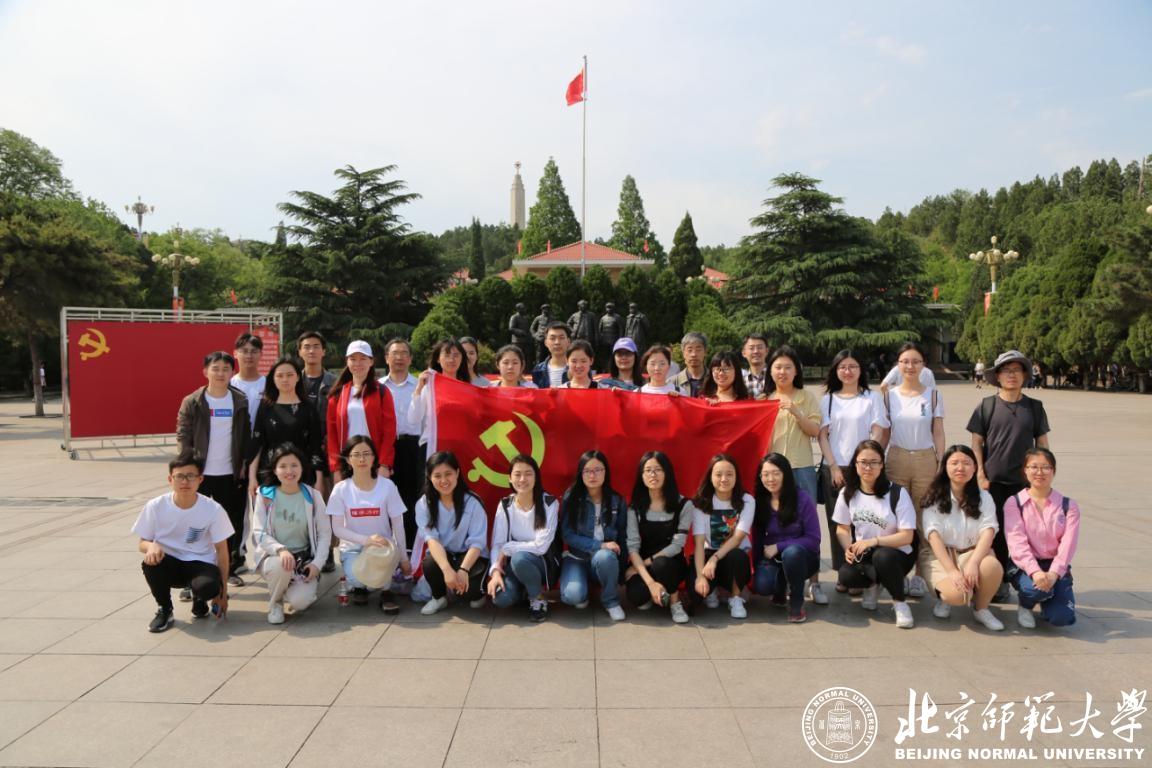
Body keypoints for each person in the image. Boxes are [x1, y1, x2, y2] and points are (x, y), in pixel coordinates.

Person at [967, 349, 1051, 602]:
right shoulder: (987, 405)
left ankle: (1030, 580)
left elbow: (1042, 444)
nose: (1011, 375)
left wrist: (1042, 475)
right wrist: (980, 473)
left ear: (1025, 375)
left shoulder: (1034, 407)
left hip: (1024, 483)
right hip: (992, 481)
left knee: (1026, 533)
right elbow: (976, 442)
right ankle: (997, 580)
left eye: (1016, 370)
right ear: (998, 376)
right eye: (1006, 371)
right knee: (994, 532)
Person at [134, 453, 233, 632]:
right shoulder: (155, 506)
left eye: (191, 476)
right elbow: (142, 542)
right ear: (170, 479)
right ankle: (165, 609)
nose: (185, 482)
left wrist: (223, 593)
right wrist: (151, 546)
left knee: (207, 587)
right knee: (150, 562)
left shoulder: (213, 509)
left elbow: (222, 551)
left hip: (200, 562)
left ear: (200, 479)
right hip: (169, 562)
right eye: (179, 476)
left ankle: (199, 598)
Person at [176, 351, 251, 589]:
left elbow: (245, 435)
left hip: (230, 474)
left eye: (226, 369)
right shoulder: (193, 401)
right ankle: (189, 575)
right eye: (215, 368)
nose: (220, 373)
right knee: (193, 523)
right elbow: (183, 435)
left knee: (229, 525)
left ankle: (227, 570)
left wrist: (244, 465)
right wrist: (187, 469)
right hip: (200, 475)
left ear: (232, 372)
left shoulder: (239, 400)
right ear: (205, 372)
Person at [817, 349, 886, 594]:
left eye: (853, 366)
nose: (847, 371)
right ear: (836, 371)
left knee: (863, 522)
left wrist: (865, 460)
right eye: (842, 367)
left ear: (860, 370)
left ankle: (861, 573)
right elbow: (822, 436)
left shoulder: (871, 397)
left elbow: (878, 430)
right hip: (836, 468)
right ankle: (843, 572)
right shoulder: (828, 400)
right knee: (838, 522)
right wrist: (834, 466)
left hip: (864, 467)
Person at [878, 342, 944, 599]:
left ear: (923, 365)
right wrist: (876, 459)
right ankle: (897, 573)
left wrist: (940, 462)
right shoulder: (889, 396)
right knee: (895, 517)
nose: (910, 366)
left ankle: (920, 574)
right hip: (896, 457)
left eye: (915, 361)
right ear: (898, 365)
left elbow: (938, 431)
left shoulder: (933, 395)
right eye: (905, 361)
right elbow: (884, 432)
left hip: (926, 458)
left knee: (924, 516)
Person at [833, 440, 917, 628]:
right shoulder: (848, 493)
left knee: (883, 556)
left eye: (874, 462)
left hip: (898, 553)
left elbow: (907, 536)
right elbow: (842, 528)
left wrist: (874, 541)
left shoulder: (897, 493)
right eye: (863, 462)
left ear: (882, 465)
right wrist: (848, 548)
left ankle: (900, 603)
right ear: (855, 464)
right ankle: (873, 584)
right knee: (846, 575)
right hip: (867, 552)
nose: (868, 467)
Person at [920, 445, 1004, 630]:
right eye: (954, 463)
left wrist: (974, 562)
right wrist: (952, 571)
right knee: (956, 596)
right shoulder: (933, 498)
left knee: (991, 566)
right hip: (939, 556)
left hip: (971, 552)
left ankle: (981, 608)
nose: (960, 468)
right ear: (945, 467)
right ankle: (946, 598)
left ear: (975, 468)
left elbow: (988, 531)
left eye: (966, 463)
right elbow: (934, 537)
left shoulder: (984, 497)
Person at [326, 435, 410, 613]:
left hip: (382, 548)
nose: (362, 459)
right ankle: (360, 587)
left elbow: (398, 525)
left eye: (366, 454)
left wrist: (403, 558)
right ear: (348, 460)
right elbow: (337, 528)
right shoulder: (340, 489)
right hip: (353, 549)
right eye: (356, 455)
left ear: (374, 458)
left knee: (379, 579)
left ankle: (385, 592)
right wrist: (366, 540)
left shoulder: (387, 486)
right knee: (358, 579)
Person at [251, 443, 332, 624]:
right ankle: (276, 603)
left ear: (302, 468)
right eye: (283, 466)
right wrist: (280, 550)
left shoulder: (313, 496)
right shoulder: (265, 495)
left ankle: (288, 585)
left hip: (304, 559)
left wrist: (317, 564)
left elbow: (325, 534)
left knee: (300, 602)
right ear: (275, 470)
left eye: (294, 465)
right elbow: (259, 533)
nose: (289, 471)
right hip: (275, 557)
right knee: (282, 566)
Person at [1005, 448, 1079, 628]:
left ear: (1054, 471)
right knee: (1035, 590)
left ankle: (1049, 599)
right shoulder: (1014, 503)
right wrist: (1035, 572)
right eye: (1033, 467)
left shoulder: (1068, 505)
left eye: (1046, 467)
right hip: (1025, 565)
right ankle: (1026, 605)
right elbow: (1017, 543)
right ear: (1025, 470)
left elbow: (1068, 545)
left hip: (1055, 564)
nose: (1039, 472)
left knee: (1062, 618)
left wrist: (1054, 573)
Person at [486, 454, 560, 622]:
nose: (522, 479)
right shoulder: (505, 505)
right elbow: (497, 543)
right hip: (514, 565)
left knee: (520, 559)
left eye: (528, 474)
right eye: (517, 474)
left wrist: (509, 548)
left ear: (536, 477)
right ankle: (525, 590)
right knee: (501, 599)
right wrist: (495, 571)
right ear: (510, 478)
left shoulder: (549, 503)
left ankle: (537, 597)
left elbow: (541, 547)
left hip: (541, 564)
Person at [415, 452, 490, 615]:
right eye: (437, 476)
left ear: (457, 473)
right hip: (445, 555)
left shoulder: (473, 502)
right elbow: (432, 540)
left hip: (469, 556)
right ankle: (439, 597)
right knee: (430, 563)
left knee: (470, 594)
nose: (443, 480)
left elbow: (477, 543)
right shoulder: (424, 504)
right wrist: (447, 570)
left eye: (448, 474)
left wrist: (463, 570)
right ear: (429, 477)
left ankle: (476, 594)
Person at [750, 453, 821, 623]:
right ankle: (780, 588)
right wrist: (756, 568)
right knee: (762, 585)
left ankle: (797, 601)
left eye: (776, 473)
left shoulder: (802, 499)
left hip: (803, 558)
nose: (770, 479)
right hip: (774, 558)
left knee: (792, 553)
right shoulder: (760, 501)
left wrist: (779, 546)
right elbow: (758, 539)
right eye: (765, 474)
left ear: (786, 474)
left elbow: (814, 539)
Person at [624, 451, 693, 624]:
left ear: (667, 473)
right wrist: (650, 583)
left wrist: (647, 562)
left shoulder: (683, 505)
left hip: (671, 563)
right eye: (648, 470)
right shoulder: (635, 508)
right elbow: (633, 547)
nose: (652, 475)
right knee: (636, 596)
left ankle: (675, 603)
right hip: (644, 563)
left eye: (658, 470)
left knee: (661, 564)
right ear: (642, 476)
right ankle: (657, 593)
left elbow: (677, 546)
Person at [559, 450, 629, 620]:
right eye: (587, 471)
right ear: (581, 473)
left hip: (603, 560)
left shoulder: (617, 501)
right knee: (573, 596)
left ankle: (610, 600)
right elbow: (566, 534)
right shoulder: (571, 497)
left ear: (606, 472)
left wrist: (621, 572)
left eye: (598, 470)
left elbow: (622, 536)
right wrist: (599, 545)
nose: (592, 475)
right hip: (577, 558)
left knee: (606, 556)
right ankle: (583, 591)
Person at [248, 356, 324, 497]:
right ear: (273, 379)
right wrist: (252, 478)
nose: (285, 379)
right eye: (280, 376)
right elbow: (257, 442)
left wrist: (319, 480)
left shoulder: (308, 407)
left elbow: (315, 445)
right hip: (270, 473)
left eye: (289, 375)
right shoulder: (266, 406)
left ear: (298, 377)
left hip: (302, 474)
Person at [691, 454, 755, 618]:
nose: (724, 479)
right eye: (718, 474)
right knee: (693, 600)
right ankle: (712, 589)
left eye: (729, 474)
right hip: (708, 557)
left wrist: (715, 559)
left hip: (733, 558)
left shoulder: (747, 500)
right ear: (710, 477)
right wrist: (700, 577)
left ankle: (735, 597)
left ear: (736, 477)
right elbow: (699, 543)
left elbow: (738, 538)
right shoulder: (700, 503)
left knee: (737, 555)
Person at [326, 341, 397, 483]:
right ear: (347, 362)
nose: (358, 363)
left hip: (374, 463)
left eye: (363, 359)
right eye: (353, 359)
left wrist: (384, 464)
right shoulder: (338, 394)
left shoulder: (382, 391)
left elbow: (389, 431)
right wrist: (336, 467)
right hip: (348, 463)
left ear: (371, 362)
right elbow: (332, 434)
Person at [381, 338, 423, 547]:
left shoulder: (421, 386)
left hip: (413, 447)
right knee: (383, 496)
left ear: (411, 359)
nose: (399, 357)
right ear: (386, 358)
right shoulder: (377, 387)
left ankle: (410, 547)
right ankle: (386, 546)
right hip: (384, 447)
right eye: (394, 353)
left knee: (411, 497)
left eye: (404, 353)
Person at [406, 337, 471, 454]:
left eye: (456, 355)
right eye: (447, 355)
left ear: (462, 359)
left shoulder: (468, 390)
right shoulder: (429, 387)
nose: (451, 359)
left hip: (459, 448)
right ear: (438, 359)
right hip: (432, 447)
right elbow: (413, 419)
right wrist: (419, 389)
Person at [297, 331, 336, 500]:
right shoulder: (293, 381)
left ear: (323, 351)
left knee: (328, 498)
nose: (311, 351)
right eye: (306, 347)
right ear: (300, 352)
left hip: (327, 448)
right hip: (299, 449)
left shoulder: (335, 382)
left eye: (316, 346)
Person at [230, 332, 266, 433]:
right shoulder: (229, 385)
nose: (249, 356)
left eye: (254, 351)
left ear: (261, 354)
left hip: (262, 440)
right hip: (236, 439)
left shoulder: (269, 384)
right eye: (244, 351)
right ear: (235, 354)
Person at [530, 322, 571, 388]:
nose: (557, 342)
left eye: (561, 338)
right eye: (552, 338)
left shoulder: (577, 368)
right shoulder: (538, 370)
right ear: (546, 342)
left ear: (568, 341)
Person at [673, 332, 709, 397]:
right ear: (683, 353)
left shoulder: (715, 380)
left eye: (698, 350)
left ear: (705, 352)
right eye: (690, 350)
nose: (694, 354)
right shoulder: (673, 382)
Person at [741, 334, 770, 398]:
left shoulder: (775, 376)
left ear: (767, 351)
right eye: (751, 348)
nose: (756, 351)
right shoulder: (740, 381)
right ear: (743, 353)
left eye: (760, 347)